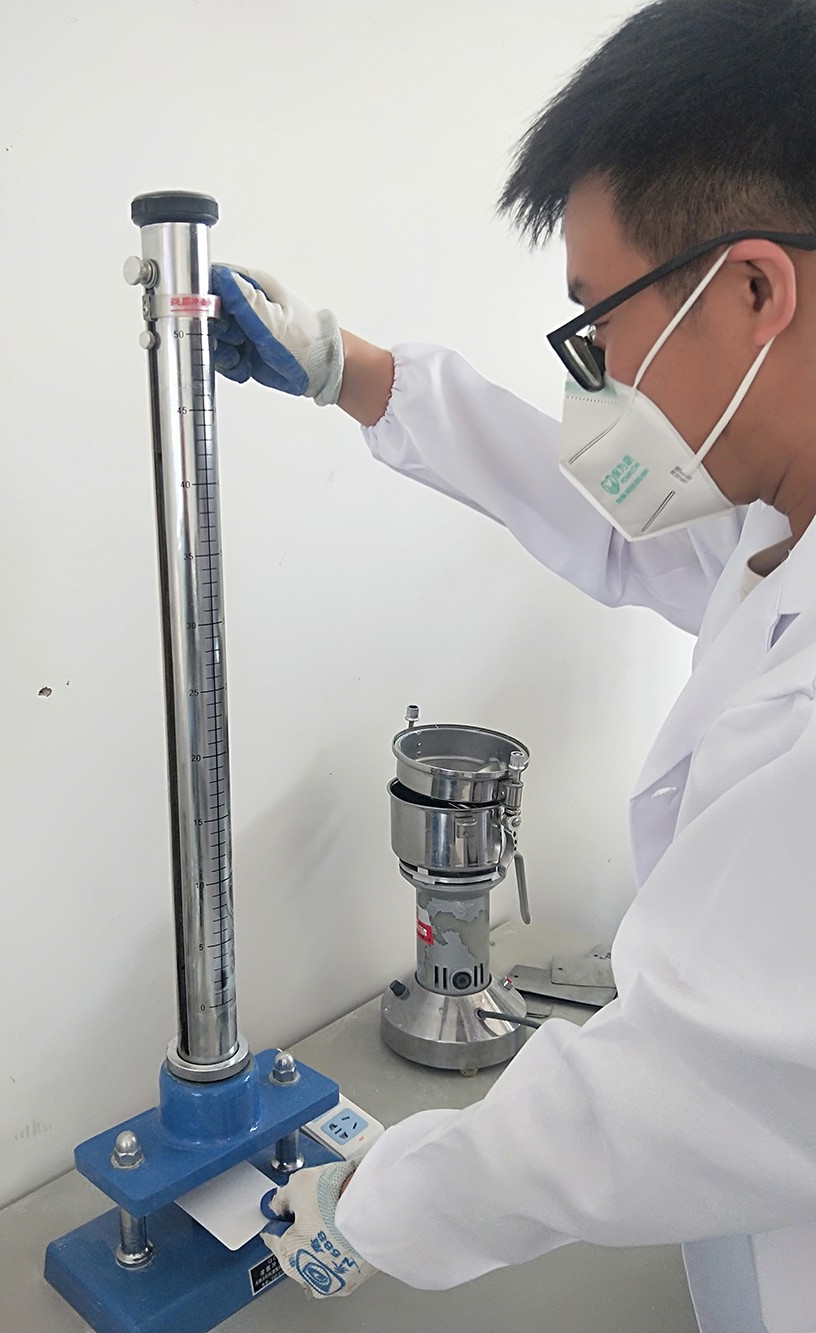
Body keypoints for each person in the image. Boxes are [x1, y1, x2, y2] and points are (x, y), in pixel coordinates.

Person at [211, 3, 816, 1330]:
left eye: (599, 320)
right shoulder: (772, 525)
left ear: (755, 292)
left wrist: (379, 1200)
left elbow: (666, 1103)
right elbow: (610, 520)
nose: (594, 376)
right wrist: (352, 371)